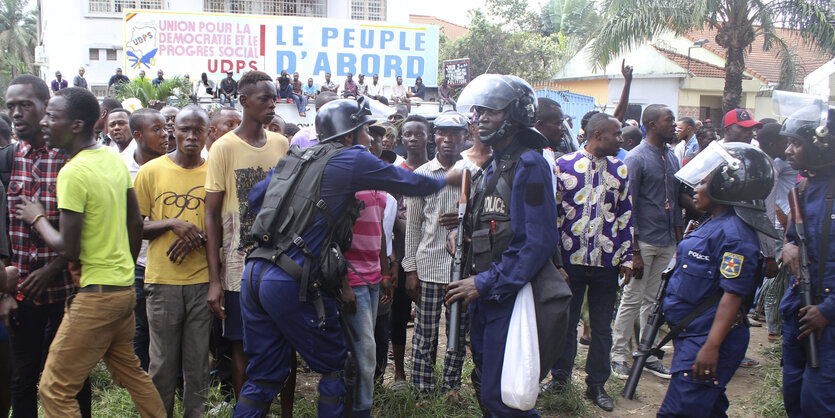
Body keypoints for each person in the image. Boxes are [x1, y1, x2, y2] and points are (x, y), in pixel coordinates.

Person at [232, 97, 455, 417]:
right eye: (365, 130)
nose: (370, 139)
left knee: (264, 375)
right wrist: (455, 178)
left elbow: (256, 201)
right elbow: (412, 183)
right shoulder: (351, 157)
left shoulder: (296, 158)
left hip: (255, 271)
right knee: (337, 368)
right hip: (290, 278)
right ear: (349, 134)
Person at [15, 87, 165, 417]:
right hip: (123, 290)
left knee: (53, 389)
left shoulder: (73, 172)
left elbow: (68, 249)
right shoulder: (111, 160)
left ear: (76, 125)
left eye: (52, 117)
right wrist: (125, 267)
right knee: (133, 374)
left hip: (96, 297)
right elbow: (135, 224)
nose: (44, 123)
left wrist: (37, 217)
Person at [446, 74, 570, 416]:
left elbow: (537, 240)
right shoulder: (492, 166)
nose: (481, 118)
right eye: (478, 111)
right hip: (490, 293)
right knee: (489, 387)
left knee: (506, 397)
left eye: (492, 111)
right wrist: (462, 236)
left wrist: (483, 282)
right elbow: (496, 225)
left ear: (515, 115)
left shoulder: (529, 164)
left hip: (512, 295)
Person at [658, 142, 777, 416]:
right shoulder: (712, 222)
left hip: (708, 338)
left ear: (728, 188)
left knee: (680, 411)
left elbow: (733, 295)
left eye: (704, 182)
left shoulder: (735, 236)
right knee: (707, 408)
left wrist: (711, 347)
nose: (695, 188)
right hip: (692, 334)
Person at [3, 75, 93, 418]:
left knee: (73, 379)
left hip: (67, 290)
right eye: (11, 106)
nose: (16, 113)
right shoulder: (8, 160)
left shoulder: (71, 159)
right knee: (22, 378)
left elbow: (87, 228)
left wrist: (52, 268)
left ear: (45, 108)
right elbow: (4, 236)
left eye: (25, 105)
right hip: (22, 292)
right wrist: (5, 292)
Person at [204, 71, 289, 400]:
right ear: (243, 101)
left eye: (274, 97)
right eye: (264, 98)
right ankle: (246, 407)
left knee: (282, 341)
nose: (272, 104)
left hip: (279, 265)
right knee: (241, 344)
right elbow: (211, 215)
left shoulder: (281, 144)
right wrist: (215, 279)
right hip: (239, 268)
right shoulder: (223, 148)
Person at [547, 112, 636, 412]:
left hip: (606, 262)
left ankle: (596, 384)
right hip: (570, 263)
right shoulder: (563, 166)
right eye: (617, 134)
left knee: (601, 327)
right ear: (598, 135)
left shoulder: (620, 169)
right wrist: (555, 261)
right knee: (567, 323)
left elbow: (625, 215)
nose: (621, 140)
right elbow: (554, 215)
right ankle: (560, 379)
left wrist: (626, 255)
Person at [135, 105, 212, 417]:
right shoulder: (151, 172)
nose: (191, 136)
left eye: (198, 130)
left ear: (208, 134)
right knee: (162, 366)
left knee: (198, 366)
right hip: (161, 282)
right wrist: (171, 224)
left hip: (202, 282)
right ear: (172, 132)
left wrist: (199, 235)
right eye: (184, 129)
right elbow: (134, 227)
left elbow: (222, 225)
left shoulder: (214, 172)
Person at [611, 104, 681, 382]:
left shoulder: (672, 157)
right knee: (632, 298)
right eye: (669, 120)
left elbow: (674, 203)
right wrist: (634, 250)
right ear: (651, 124)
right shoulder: (637, 158)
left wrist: (679, 242)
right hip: (644, 242)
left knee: (653, 302)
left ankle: (646, 353)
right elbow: (628, 206)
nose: (674, 124)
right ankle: (617, 355)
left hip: (666, 242)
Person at [404, 112, 470, 395]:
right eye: (443, 133)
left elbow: (483, 220)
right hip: (429, 266)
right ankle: (422, 392)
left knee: (456, 335)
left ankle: (451, 390)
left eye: (455, 133)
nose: (448, 139)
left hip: (464, 271)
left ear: (465, 137)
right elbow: (413, 227)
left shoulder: (473, 172)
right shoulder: (422, 175)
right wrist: (410, 269)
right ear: (435, 137)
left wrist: (463, 217)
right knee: (424, 336)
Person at [779, 100, 835, 417]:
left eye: (796, 144)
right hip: (798, 310)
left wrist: (828, 310)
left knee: (819, 402)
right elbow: (793, 237)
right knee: (794, 394)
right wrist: (786, 247)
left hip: (826, 318)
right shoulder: (803, 186)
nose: (789, 151)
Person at [125, 108, 170, 372]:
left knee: (167, 332)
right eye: (157, 130)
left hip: (170, 262)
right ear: (138, 135)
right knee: (141, 329)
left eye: (165, 128)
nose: (165, 135)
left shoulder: (178, 163)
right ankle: (141, 384)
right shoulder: (121, 167)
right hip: (138, 264)